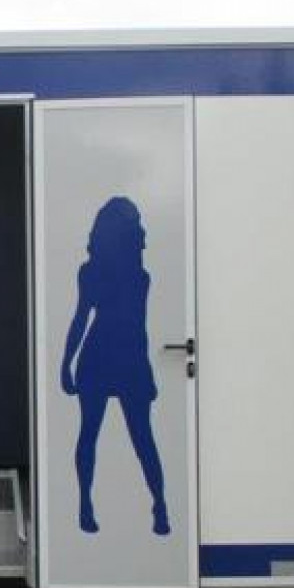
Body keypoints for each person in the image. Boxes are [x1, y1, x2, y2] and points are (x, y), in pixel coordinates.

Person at [59, 196, 169, 536]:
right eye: (136, 224)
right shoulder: (140, 276)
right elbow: (137, 327)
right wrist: (65, 362)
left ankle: (88, 504)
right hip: (127, 357)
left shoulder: (92, 272)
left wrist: (67, 363)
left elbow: (81, 319)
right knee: (141, 437)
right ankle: (158, 506)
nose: (142, 231)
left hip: (99, 355)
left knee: (92, 434)